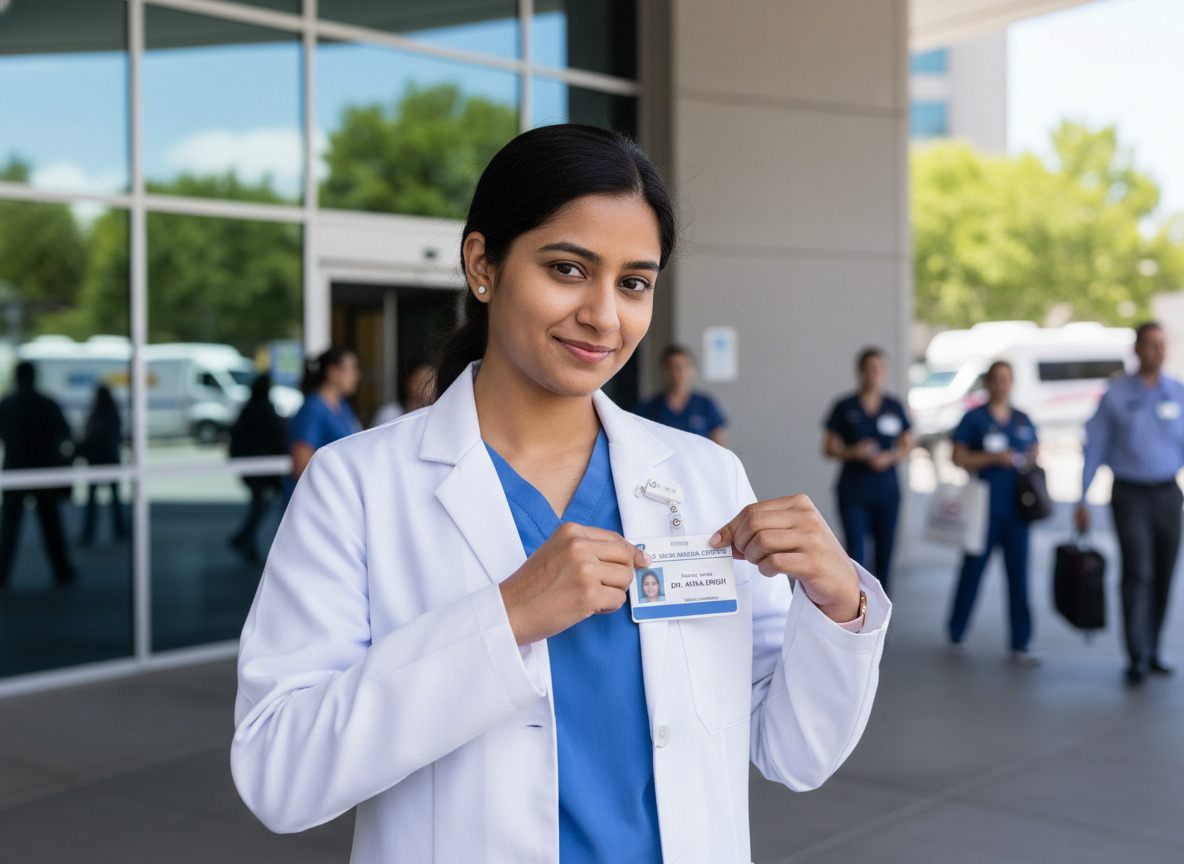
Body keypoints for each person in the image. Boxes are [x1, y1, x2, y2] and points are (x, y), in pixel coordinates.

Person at [232, 124, 889, 864]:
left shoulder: (704, 479)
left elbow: (793, 751)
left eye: (633, 282)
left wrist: (839, 609)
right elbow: (277, 774)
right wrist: (504, 618)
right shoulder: (357, 484)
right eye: (568, 269)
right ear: (483, 265)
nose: (605, 316)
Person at [1076, 322, 1184, 685]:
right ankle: (1136, 654)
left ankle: (1153, 648)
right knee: (1139, 571)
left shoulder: (1177, 393)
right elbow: (1095, 447)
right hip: (1130, 494)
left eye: (1162, 344)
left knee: (1165, 573)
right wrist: (1082, 496)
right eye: (1151, 344)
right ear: (1136, 350)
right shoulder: (1116, 396)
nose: (1158, 351)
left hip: (1168, 494)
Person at [946, 360, 1039, 665]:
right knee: (972, 571)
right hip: (983, 509)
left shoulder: (1023, 419)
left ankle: (1021, 643)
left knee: (1019, 578)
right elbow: (958, 457)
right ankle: (956, 633)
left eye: (1007, 379)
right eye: (996, 379)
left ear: (1012, 383)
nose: (1002, 384)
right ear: (988, 382)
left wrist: (1025, 458)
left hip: (1016, 511)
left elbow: (1035, 451)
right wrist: (993, 457)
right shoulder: (974, 419)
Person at [823, 347, 913, 593]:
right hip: (854, 492)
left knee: (885, 554)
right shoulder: (845, 406)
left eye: (879, 368)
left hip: (886, 493)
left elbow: (907, 444)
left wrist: (890, 456)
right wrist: (854, 451)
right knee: (856, 555)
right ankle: (856, 608)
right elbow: (829, 448)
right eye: (869, 368)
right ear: (860, 371)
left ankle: (882, 612)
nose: (874, 373)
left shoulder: (893, 406)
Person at [0, 361, 76, 587]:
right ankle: (62, 570)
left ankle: (3, 572)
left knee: (10, 527)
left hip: (16, 470)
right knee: (51, 525)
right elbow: (65, 433)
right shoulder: (47, 403)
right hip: (43, 471)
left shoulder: (7, 404)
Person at [285, 347, 361, 495]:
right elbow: (300, 465)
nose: (356, 376)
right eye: (351, 369)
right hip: (316, 503)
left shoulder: (342, 406)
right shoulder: (313, 408)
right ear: (333, 372)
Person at [228, 374, 287, 563]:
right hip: (262, 468)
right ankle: (245, 540)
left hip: (254, 467)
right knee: (261, 506)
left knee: (260, 505)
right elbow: (276, 437)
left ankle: (246, 540)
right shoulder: (264, 409)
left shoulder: (249, 409)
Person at [636, 344, 727, 445]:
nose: (676, 372)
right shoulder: (650, 407)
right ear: (664, 370)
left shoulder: (705, 404)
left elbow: (719, 445)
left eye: (681, 367)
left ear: (691, 369)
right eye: (671, 367)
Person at [76, 385, 126, 545]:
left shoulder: (100, 415)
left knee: (95, 501)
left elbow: (95, 435)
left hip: (99, 460)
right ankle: (117, 530)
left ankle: (92, 532)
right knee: (111, 500)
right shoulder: (110, 414)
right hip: (107, 459)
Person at [370, 361, 437, 427]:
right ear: (409, 383)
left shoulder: (435, 415)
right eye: (424, 381)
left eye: (432, 381)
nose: (429, 387)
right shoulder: (390, 413)